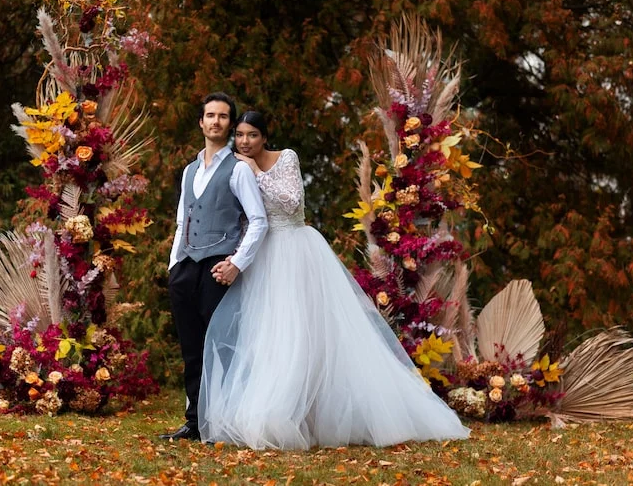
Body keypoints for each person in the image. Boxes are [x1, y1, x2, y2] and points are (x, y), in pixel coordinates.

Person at [199, 111, 470, 449]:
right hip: (261, 257)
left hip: (296, 251)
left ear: (265, 137)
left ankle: (307, 411)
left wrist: (256, 172)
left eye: (252, 135)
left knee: (303, 330)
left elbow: (293, 200)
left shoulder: (285, 158)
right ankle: (282, 410)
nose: (244, 142)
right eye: (239, 135)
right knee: (268, 331)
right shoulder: (236, 167)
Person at [160, 95, 268, 441]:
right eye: (210, 115)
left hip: (218, 268)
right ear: (201, 123)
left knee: (224, 347)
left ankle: (232, 421)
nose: (216, 122)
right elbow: (182, 220)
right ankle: (195, 421)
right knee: (191, 350)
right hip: (185, 268)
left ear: (229, 125)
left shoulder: (238, 169)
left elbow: (258, 221)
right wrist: (174, 264)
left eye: (223, 117)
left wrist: (237, 264)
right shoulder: (189, 170)